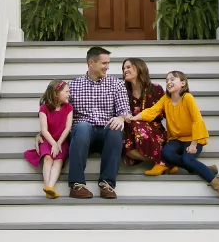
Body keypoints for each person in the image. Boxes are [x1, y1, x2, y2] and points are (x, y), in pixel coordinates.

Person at [137, 70, 219, 198]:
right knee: (166, 153)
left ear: (183, 83)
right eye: (167, 80)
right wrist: (134, 118)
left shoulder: (187, 98)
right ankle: (205, 169)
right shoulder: (165, 99)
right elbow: (152, 112)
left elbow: (197, 120)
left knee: (188, 159)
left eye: (172, 79)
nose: (169, 82)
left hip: (193, 138)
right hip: (176, 139)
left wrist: (194, 144)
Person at [65, 45, 131, 199]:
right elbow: (60, 111)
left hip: (106, 134)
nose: (107, 67)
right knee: (82, 126)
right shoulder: (74, 86)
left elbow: (125, 111)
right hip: (82, 135)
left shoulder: (116, 84)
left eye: (108, 63)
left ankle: (107, 184)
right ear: (91, 63)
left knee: (116, 129)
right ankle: (77, 185)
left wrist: (120, 117)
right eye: (104, 63)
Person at [24, 80, 73, 198]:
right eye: (66, 92)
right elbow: (44, 130)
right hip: (48, 140)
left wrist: (59, 143)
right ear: (57, 93)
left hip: (62, 140)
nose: (69, 94)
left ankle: (50, 186)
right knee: (47, 158)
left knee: (58, 160)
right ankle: (47, 186)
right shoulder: (44, 109)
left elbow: (68, 127)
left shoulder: (68, 107)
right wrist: (53, 144)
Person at [120, 57, 168, 170]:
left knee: (134, 123)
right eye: (123, 68)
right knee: (123, 143)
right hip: (132, 133)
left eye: (128, 67)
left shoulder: (156, 89)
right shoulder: (123, 92)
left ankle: (164, 162)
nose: (125, 70)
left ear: (139, 68)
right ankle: (163, 162)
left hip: (155, 131)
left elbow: (168, 113)